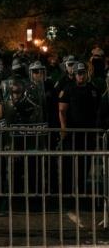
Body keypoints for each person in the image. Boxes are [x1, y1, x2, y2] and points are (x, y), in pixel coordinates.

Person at [58, 62, 101, 194]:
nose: (81, 76)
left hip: (88, 134)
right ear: (74, 74)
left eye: (83, 73)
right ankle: (68, 192)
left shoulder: (93, 89)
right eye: (78, 74)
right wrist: (64, 128)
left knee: (85, 162)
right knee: (70, 163)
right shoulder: (68, 88)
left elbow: (98, 110)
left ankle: (81, 191)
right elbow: (62, 110)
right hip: (72, 134)